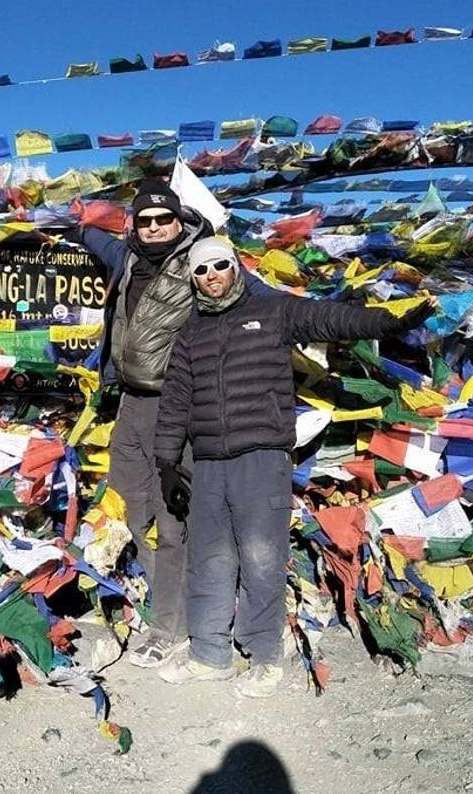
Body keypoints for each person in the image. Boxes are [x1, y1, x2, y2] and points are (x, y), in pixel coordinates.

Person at [152, 237, 433, 698]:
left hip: (261, 458)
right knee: (209, 560)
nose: (212, 276)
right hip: (207, 463)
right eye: (201, 271)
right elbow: (176, 402)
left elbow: (329, 317)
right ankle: (209, 654)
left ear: (235, 268)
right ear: (193, 279)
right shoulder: (189, 334)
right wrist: (166, 462)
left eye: (220, 266)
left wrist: (387, 321)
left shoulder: (271, 311)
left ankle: (264, 657)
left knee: (262, 557)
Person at [64, 178, 214, 668]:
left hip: (177, 408)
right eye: (144, 220)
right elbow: (99, 241)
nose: (153, 228)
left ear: (179, 219)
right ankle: (167, 608)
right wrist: (75, 223)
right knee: (129, 507)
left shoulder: (202, 262)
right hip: (129, 403)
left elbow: (259, 305)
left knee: (172, 521)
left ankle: (171, 627)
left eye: (162, 219)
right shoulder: (130, 259)